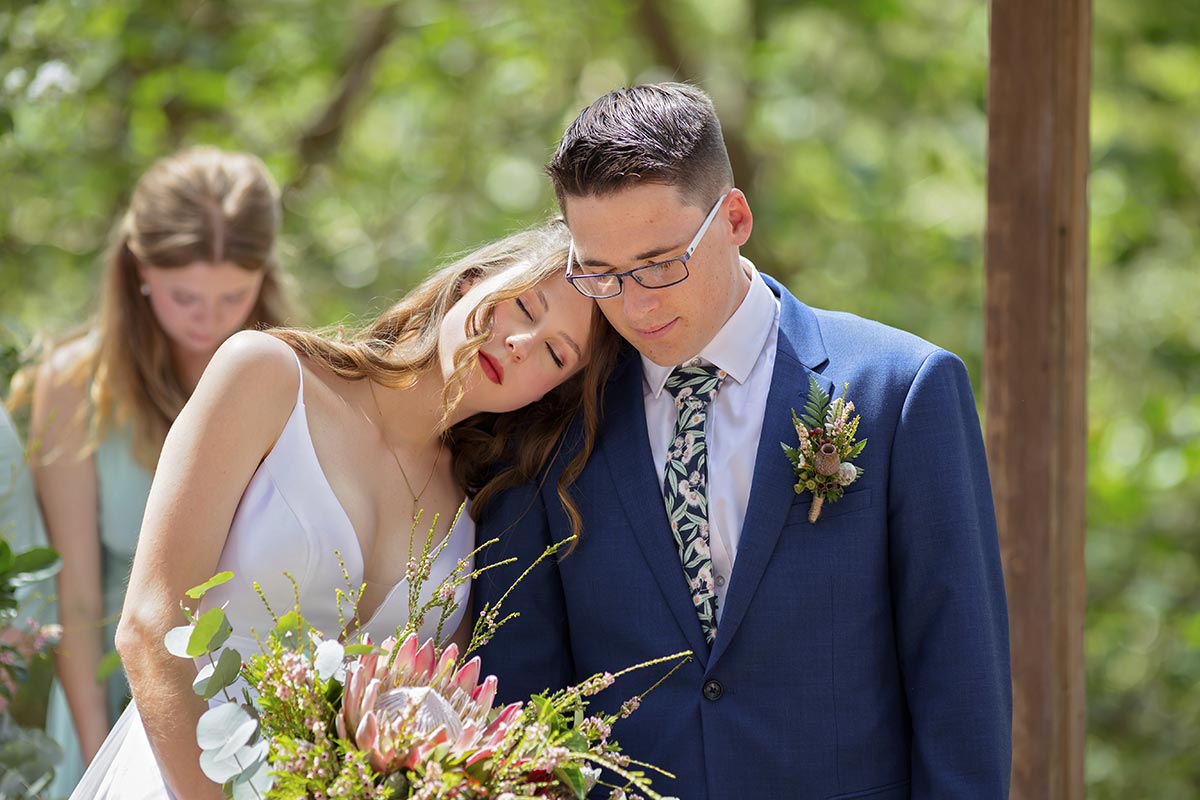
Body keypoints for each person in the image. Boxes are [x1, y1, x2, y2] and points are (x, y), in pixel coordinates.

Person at [473, 83, 1012, 799]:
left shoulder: (900, 390)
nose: (637, 303)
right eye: (600, 274)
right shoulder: (552, 417)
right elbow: (522, 699)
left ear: (734, 217)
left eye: (661, 263)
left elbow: (961, 687)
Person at [69, 219, 622, 799]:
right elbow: (150, 625)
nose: (521, 344)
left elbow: (428, 724)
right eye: (525, 308)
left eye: (556, 355)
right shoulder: (268, 376)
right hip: (177, 775)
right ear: (469, 283)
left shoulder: (476, 514)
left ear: (549, 393)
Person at [13, 146, 293, 795]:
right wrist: (91, 749)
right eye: (185, 296)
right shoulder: (74, 385)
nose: (211, 318)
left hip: (257, 681)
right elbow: (77, 598)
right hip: (112, 680)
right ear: (139, 271)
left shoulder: (284, 372)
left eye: (234, 294)